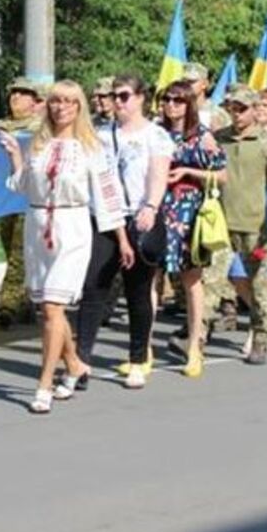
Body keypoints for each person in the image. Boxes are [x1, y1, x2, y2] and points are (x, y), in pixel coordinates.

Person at [0, 80, 130, 414]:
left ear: (79, 107)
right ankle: (74, 363)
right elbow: (24, 186)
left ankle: (44, 383)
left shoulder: (91, 147)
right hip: (38, 225)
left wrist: (122, 239)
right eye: (56, 101)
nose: (61, 107)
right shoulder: (38, 144)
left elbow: (106, 196)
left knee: (54, 309)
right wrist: (16, 156)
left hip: (71, 230)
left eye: (70, 102)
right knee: (47, 309)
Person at [75, 74, 173, 389]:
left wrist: (151, 207)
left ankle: (137, 359)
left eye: (124, 95)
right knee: (93, 287)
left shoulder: (155, 135)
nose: (117, 102)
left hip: (139, 217)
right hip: (105, 218)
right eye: (113, 96)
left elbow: (159, 175)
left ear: (141, 97)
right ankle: (81, 361)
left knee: (138, 291)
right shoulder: (101, 135)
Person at [155, 79, 225, 378]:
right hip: (158, 209)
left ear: (189, 104)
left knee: (191, 280)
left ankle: (195, 345)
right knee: (151, 279)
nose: (171, 105)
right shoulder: (155, 133)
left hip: (188, 211)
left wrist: (189, 172)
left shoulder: (202, 137)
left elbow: (223, 175)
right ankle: (141, 349)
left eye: (178, 100)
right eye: (167, 99)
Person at [215, 86, 267, 364]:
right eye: (231, 108)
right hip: (221, 223)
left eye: (241, 108)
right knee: (213, 282)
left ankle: (260, 335)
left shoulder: (266, 142)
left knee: (258, 283)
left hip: (255, 225)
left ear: (254, 110)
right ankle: (196, 334)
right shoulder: (219, 139)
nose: (236, 114)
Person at [0, 76, 45, 327]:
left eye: (23, 93)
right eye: (13, 93)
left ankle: (7, 305)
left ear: (35, 101)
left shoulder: (41, 126)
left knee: (18, 253)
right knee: (9, 248)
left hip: (28, 198)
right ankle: (25, 302)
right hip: (4, 197)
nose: (16, 97)